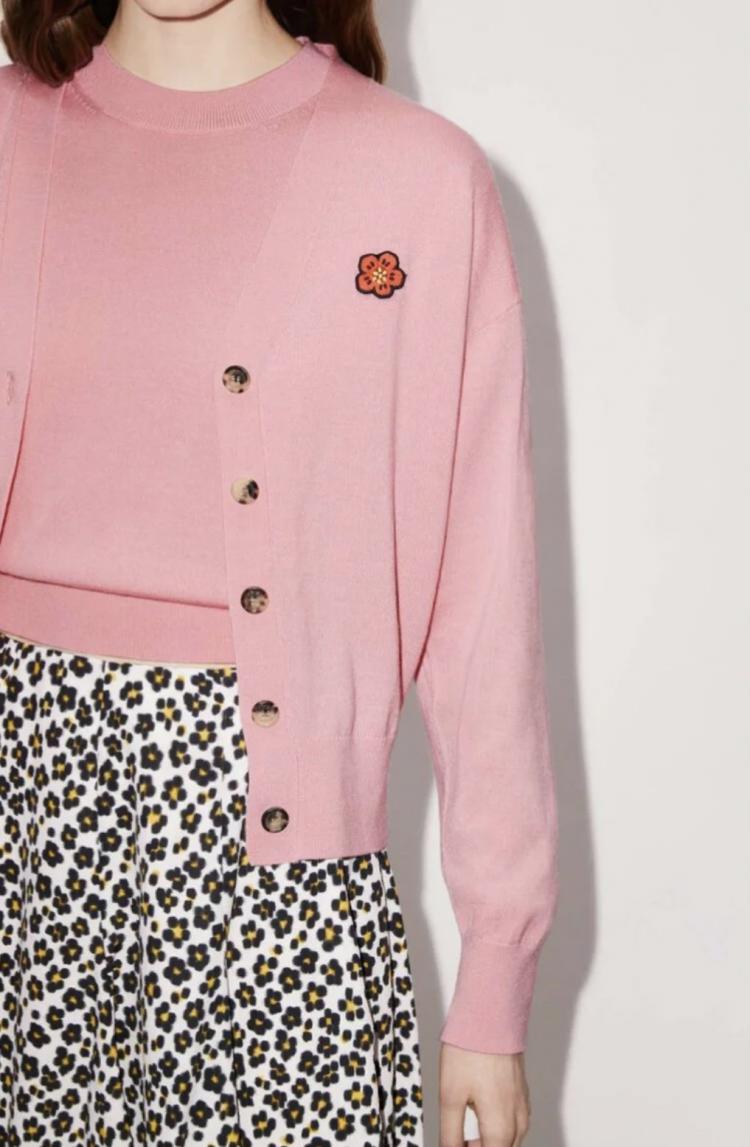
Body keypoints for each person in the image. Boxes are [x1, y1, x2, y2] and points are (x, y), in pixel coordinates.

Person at [0, 1, 559, 1144]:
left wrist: (494, 983)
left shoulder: (416, 179)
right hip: (22, 843)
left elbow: (483, 605)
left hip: (276, 876)